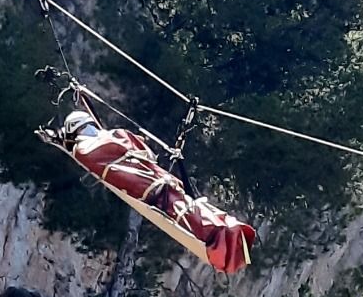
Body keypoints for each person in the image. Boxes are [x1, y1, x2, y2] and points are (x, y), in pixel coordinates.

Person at [57, 109, 255, 274]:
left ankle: (224, 237)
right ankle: (226, 236)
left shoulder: (88, 146)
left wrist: (64, 142)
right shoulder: (112, 136)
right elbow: (144, 152)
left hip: (151, 188)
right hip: (156, 183)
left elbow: (90, 152)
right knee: (189, 213)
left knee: (190, 215)